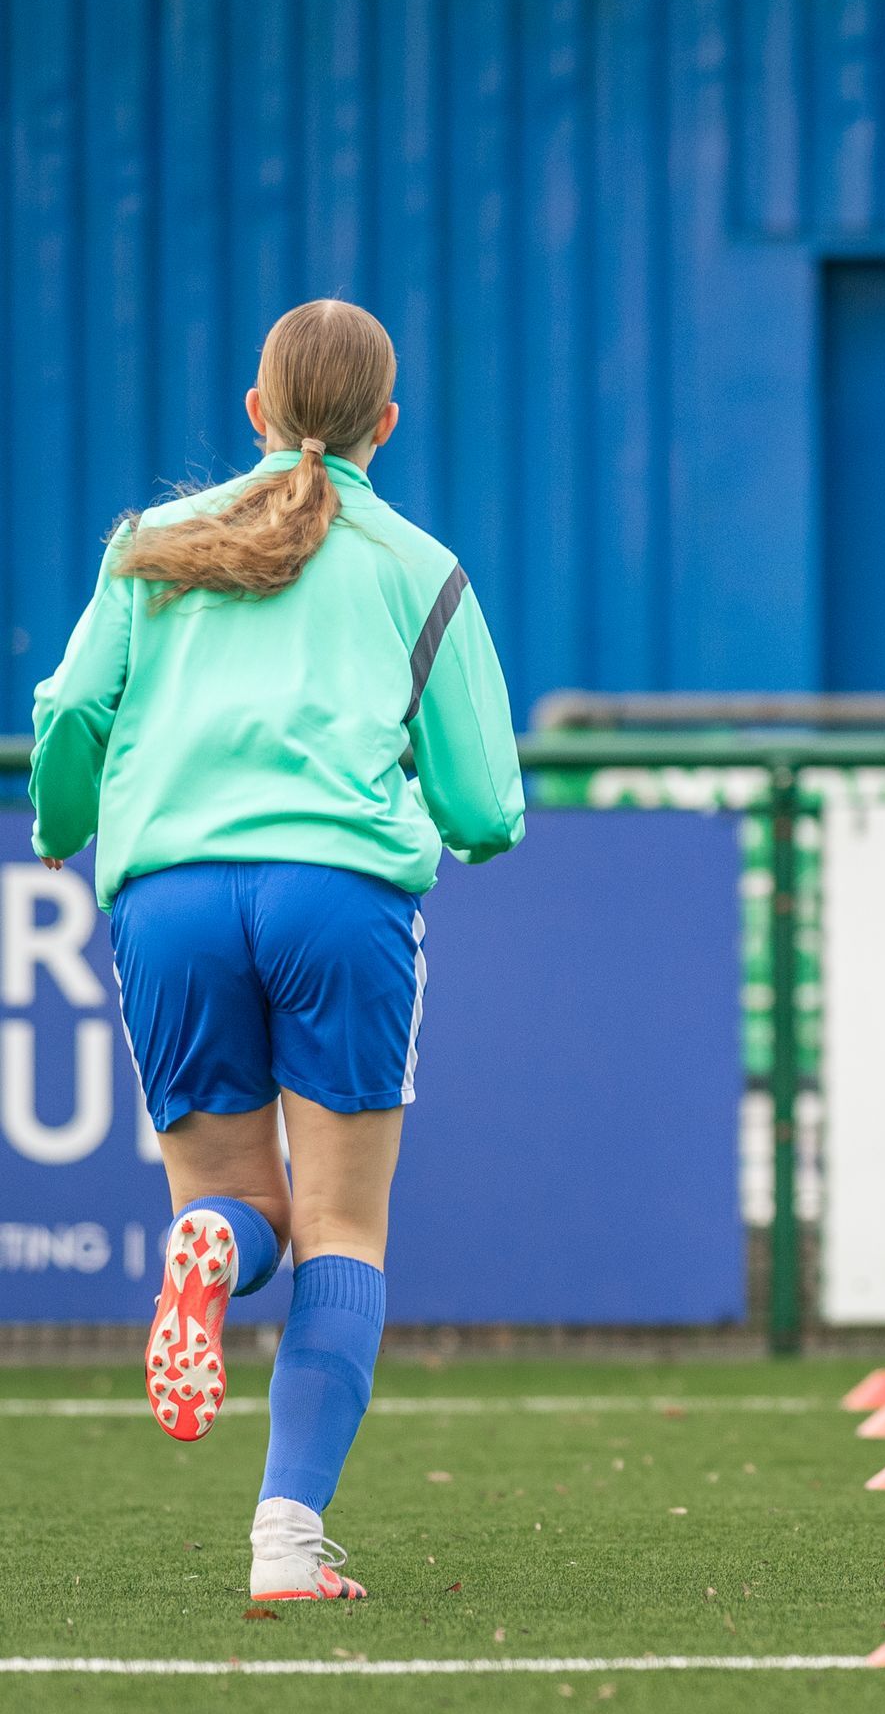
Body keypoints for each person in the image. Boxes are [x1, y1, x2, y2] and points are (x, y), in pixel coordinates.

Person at [28, 300, 524, 1602]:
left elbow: (71, 707)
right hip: (338, 891)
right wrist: (456, 822)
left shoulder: (148, 543)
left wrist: (66, 828)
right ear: (387, 424)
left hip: (168, 889)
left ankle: (203, 1251)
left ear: (255, 409)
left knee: (233, 1202)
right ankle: (288, 1543)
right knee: (342, 1223)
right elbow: (486, 810)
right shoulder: (421, 563)